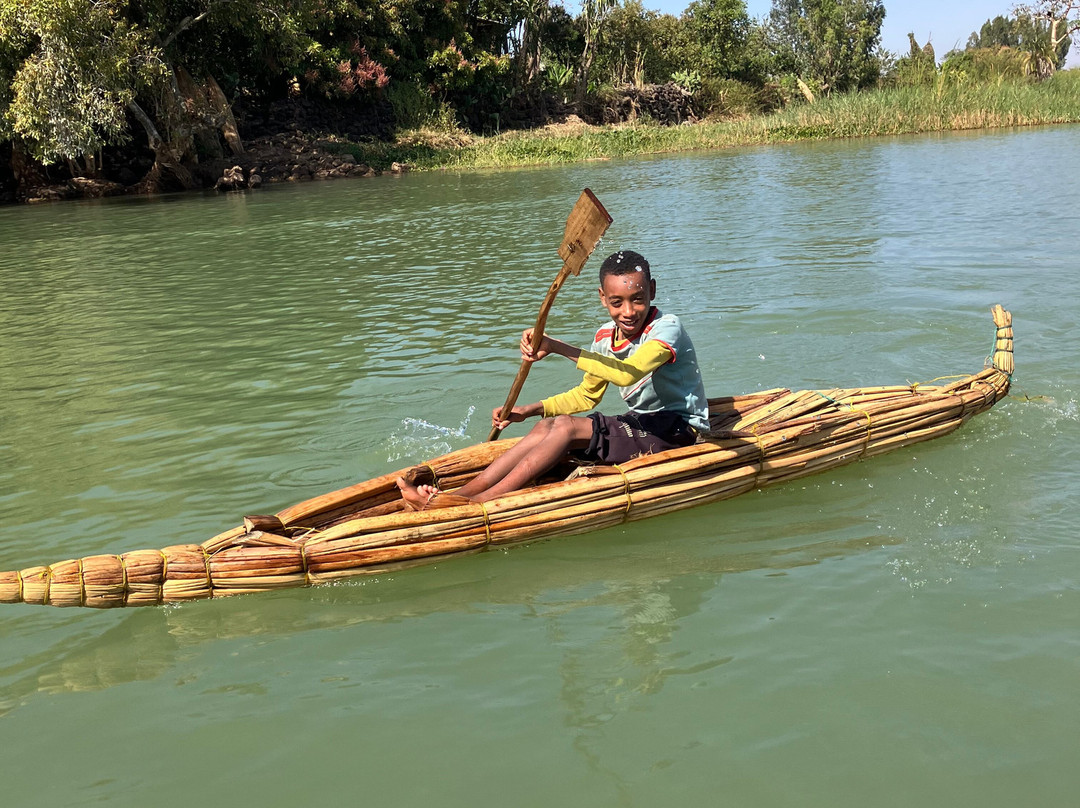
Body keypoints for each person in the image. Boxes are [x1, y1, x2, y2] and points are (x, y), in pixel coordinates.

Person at [396, 250, 709, 509]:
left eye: (638, 299)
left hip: (679, 429)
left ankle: (477, 504)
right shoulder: (604, 337)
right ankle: (461, 493)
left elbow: (628, 372)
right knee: (547, 425)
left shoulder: (666, 328)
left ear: (652, 290)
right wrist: (529, 410)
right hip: (641, 423)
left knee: (566, 428)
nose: (628, 311)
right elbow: (586, 395)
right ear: (603, 298)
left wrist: (557, 346)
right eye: (617, 302)